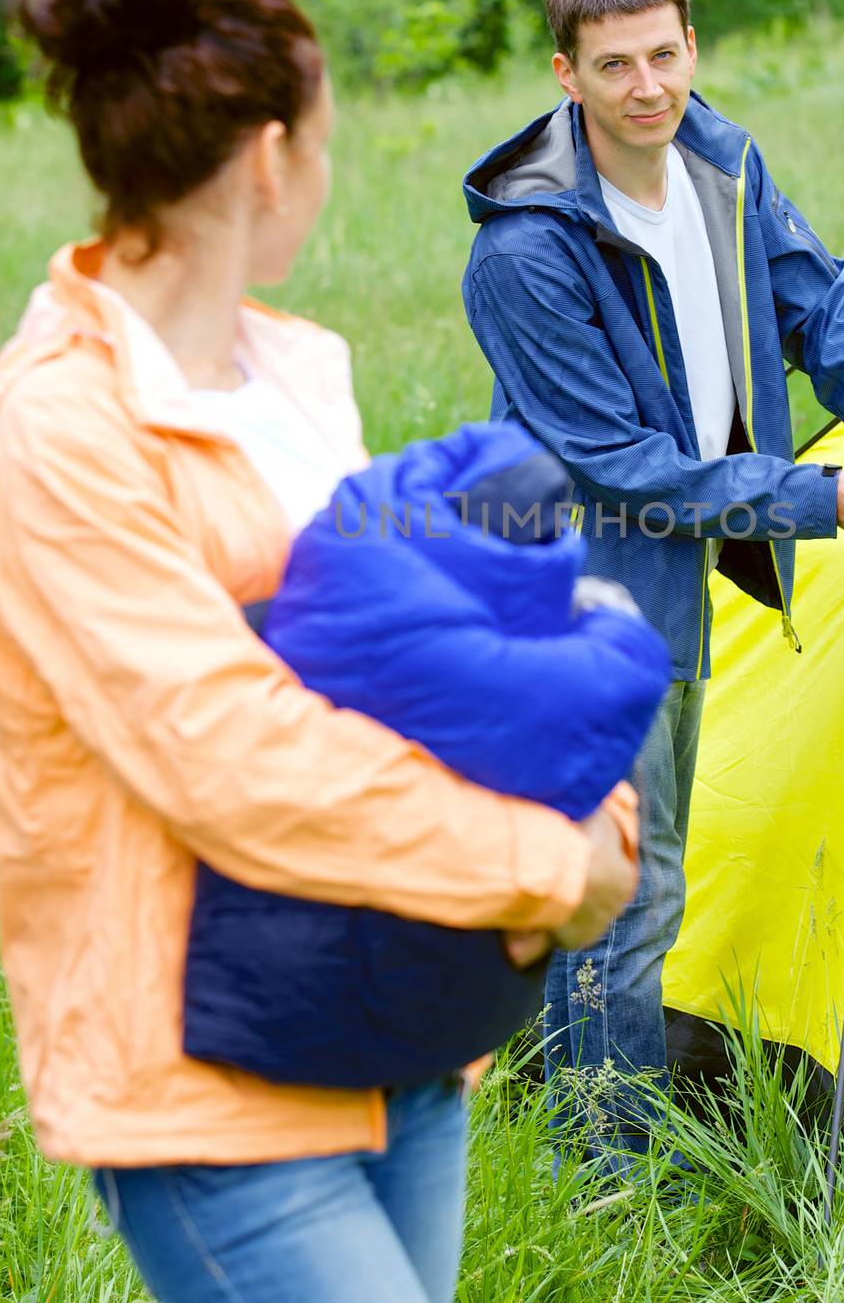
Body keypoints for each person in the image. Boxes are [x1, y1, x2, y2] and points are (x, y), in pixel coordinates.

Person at [0, 0, 637, 1303]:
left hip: (394, 1012)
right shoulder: (59, 436)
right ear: (272, 155)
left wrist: (592, 799)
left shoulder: (291, 374)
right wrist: (542, 864)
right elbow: (227, 749)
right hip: (208, 1076)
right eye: (322, 142)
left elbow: (417, 656)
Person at [460, 0, 844, 1162]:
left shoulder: (718, 161)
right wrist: (819, 494)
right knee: (624, 894)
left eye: (665, 53)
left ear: (693, 44)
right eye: (615, 64)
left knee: (629, 878)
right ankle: (609, 1176)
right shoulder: (525, 250)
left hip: (666, 582)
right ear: (564, 75)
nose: (648, 85)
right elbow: (621, 463)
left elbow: (817, 300)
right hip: (576, 591)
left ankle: (554, 1115)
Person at [184, 419, 671, 1090]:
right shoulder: (539, 672)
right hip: (425, 1005)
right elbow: (630, 667)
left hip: (255, 987)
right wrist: (601, 612)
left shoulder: (341, 555)